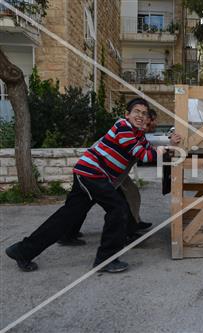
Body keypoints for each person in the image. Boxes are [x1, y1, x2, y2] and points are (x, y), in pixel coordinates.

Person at [5, 98, 159, 273]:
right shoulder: (123, 127)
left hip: (90, 174)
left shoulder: (137, 133)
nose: (140, 116)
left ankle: (22, 251)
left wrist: (171, 143)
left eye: (144, 113)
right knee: (118, 209)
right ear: (127, 114)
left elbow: (149, 149)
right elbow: (144, 156)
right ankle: (105, 260)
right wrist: (165, 152)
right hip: (93, 174)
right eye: (136, 112)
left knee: (68, 215)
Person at [57, 109, 181, 246]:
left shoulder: (139, 133)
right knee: (116, 202)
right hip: (98, 171)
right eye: (148, 123)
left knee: (90, 202)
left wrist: (169, 142)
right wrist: (170, 143)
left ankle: (132, 226)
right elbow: (148, 151)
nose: (149, 126)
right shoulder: (128, 131)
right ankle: (128, 233)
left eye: (150, 124)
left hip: (107, 172)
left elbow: (153, 144)